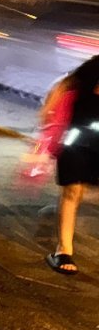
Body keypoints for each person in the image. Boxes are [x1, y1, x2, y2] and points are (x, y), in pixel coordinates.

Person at [44, 56, 99, 274]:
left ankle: (60, 210)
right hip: (78, 136)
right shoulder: (95, 66)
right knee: (73, 190)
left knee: (83, 190)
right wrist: (47, 117)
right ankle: (63, 249)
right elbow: (64, 86)